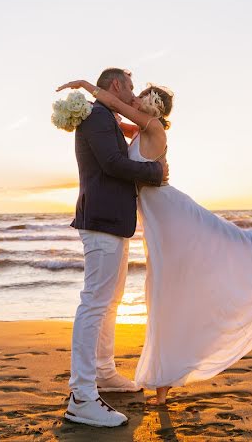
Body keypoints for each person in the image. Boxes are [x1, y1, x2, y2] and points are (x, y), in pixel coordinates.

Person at [56, 77, 252, 406]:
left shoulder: (151, 126)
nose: (134, 97)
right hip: (157, 223)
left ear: (153, 105)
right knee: (165, 293)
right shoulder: (141, 128)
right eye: (133, 92)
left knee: (225, 237)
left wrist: (87, 86)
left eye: (142, 95)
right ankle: (162, 384)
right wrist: (89, 110)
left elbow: (117, 107)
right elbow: (113, 121)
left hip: (171, 212)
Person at [63, 67, 169, 427]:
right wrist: (156, 173)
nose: (133, 92)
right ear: (117, 85)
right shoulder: (96, 117)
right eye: (131, 86)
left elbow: (133, 137)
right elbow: (111, 164)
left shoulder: (106, 116)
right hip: (102, 222)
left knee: (110, 303)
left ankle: (105, 373)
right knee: (94, 303)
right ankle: (81, 396)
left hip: (114, 223)